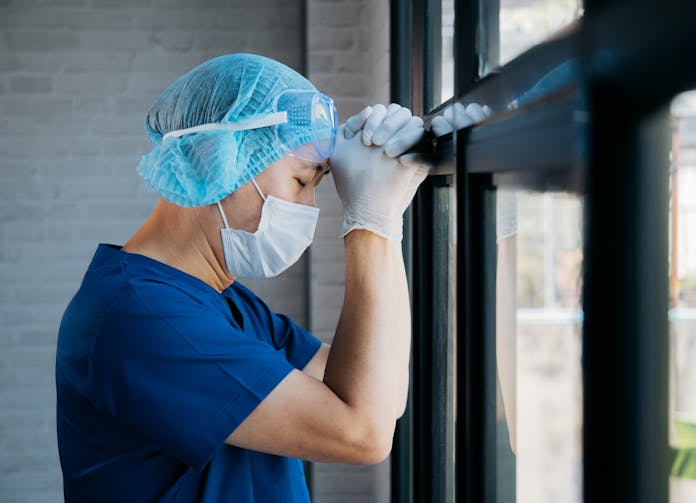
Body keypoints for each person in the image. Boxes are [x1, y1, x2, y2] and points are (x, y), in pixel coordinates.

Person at [55, 52, 432, 502]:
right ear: (220, 161)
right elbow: (362, 433)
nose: (310, 208)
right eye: (301, 181)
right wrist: (371, 224)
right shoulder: (142, 319)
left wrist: (385, 217)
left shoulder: (222, 302)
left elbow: (383, 398)